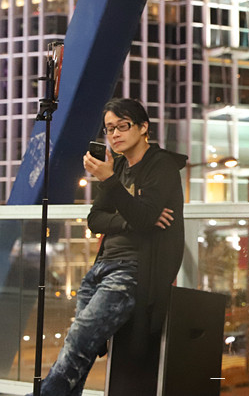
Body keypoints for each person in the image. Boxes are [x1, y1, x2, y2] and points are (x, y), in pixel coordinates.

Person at [35, 98, 186, 396]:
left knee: (79, 340)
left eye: (122, 126)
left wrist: (111, 183)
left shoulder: (161, 165)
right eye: (109, 128)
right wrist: (129, 218)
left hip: (133, 271)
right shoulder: (116, 166)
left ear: (144, 128)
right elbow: (95, 219)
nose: (115, 134)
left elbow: (143, 215)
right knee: (81, 347)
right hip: (102, 267)